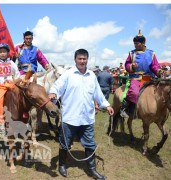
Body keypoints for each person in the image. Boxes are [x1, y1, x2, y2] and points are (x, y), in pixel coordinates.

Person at [48, 49, 114, 179]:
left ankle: (92, 169)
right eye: (80, 59)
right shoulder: (68, 75)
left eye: (84, 59)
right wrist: (53, 93)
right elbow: (57, 86)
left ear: (87, 60)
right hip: (70, 117)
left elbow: (98, 94)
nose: (82, 61)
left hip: (87, 118)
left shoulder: (92, 76)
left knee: (90, 144)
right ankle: (62, 165)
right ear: (75, 60)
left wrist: (107, 105)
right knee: (65, 143)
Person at [120, 30, 163, 118]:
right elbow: (127, 65)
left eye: (137, 44)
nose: (135, 45)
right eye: (134, 44)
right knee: (134, 93)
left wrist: (159, 71)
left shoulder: (151, 53)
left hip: (149, 79)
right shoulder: (131, 53)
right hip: (135, 78)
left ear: (143, 43)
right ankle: (129, 110)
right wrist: (132, 66)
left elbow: (155, 65)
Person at [0, 43, 21, 132]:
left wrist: (15, 81)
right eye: (0, 52)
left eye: (4, 51)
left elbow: (17, 75)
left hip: (10, 84)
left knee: (20, 96)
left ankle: (22, 115)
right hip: (0, 86)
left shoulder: (11, 63)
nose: (3, 53)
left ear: (8, 53)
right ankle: (0, 123)